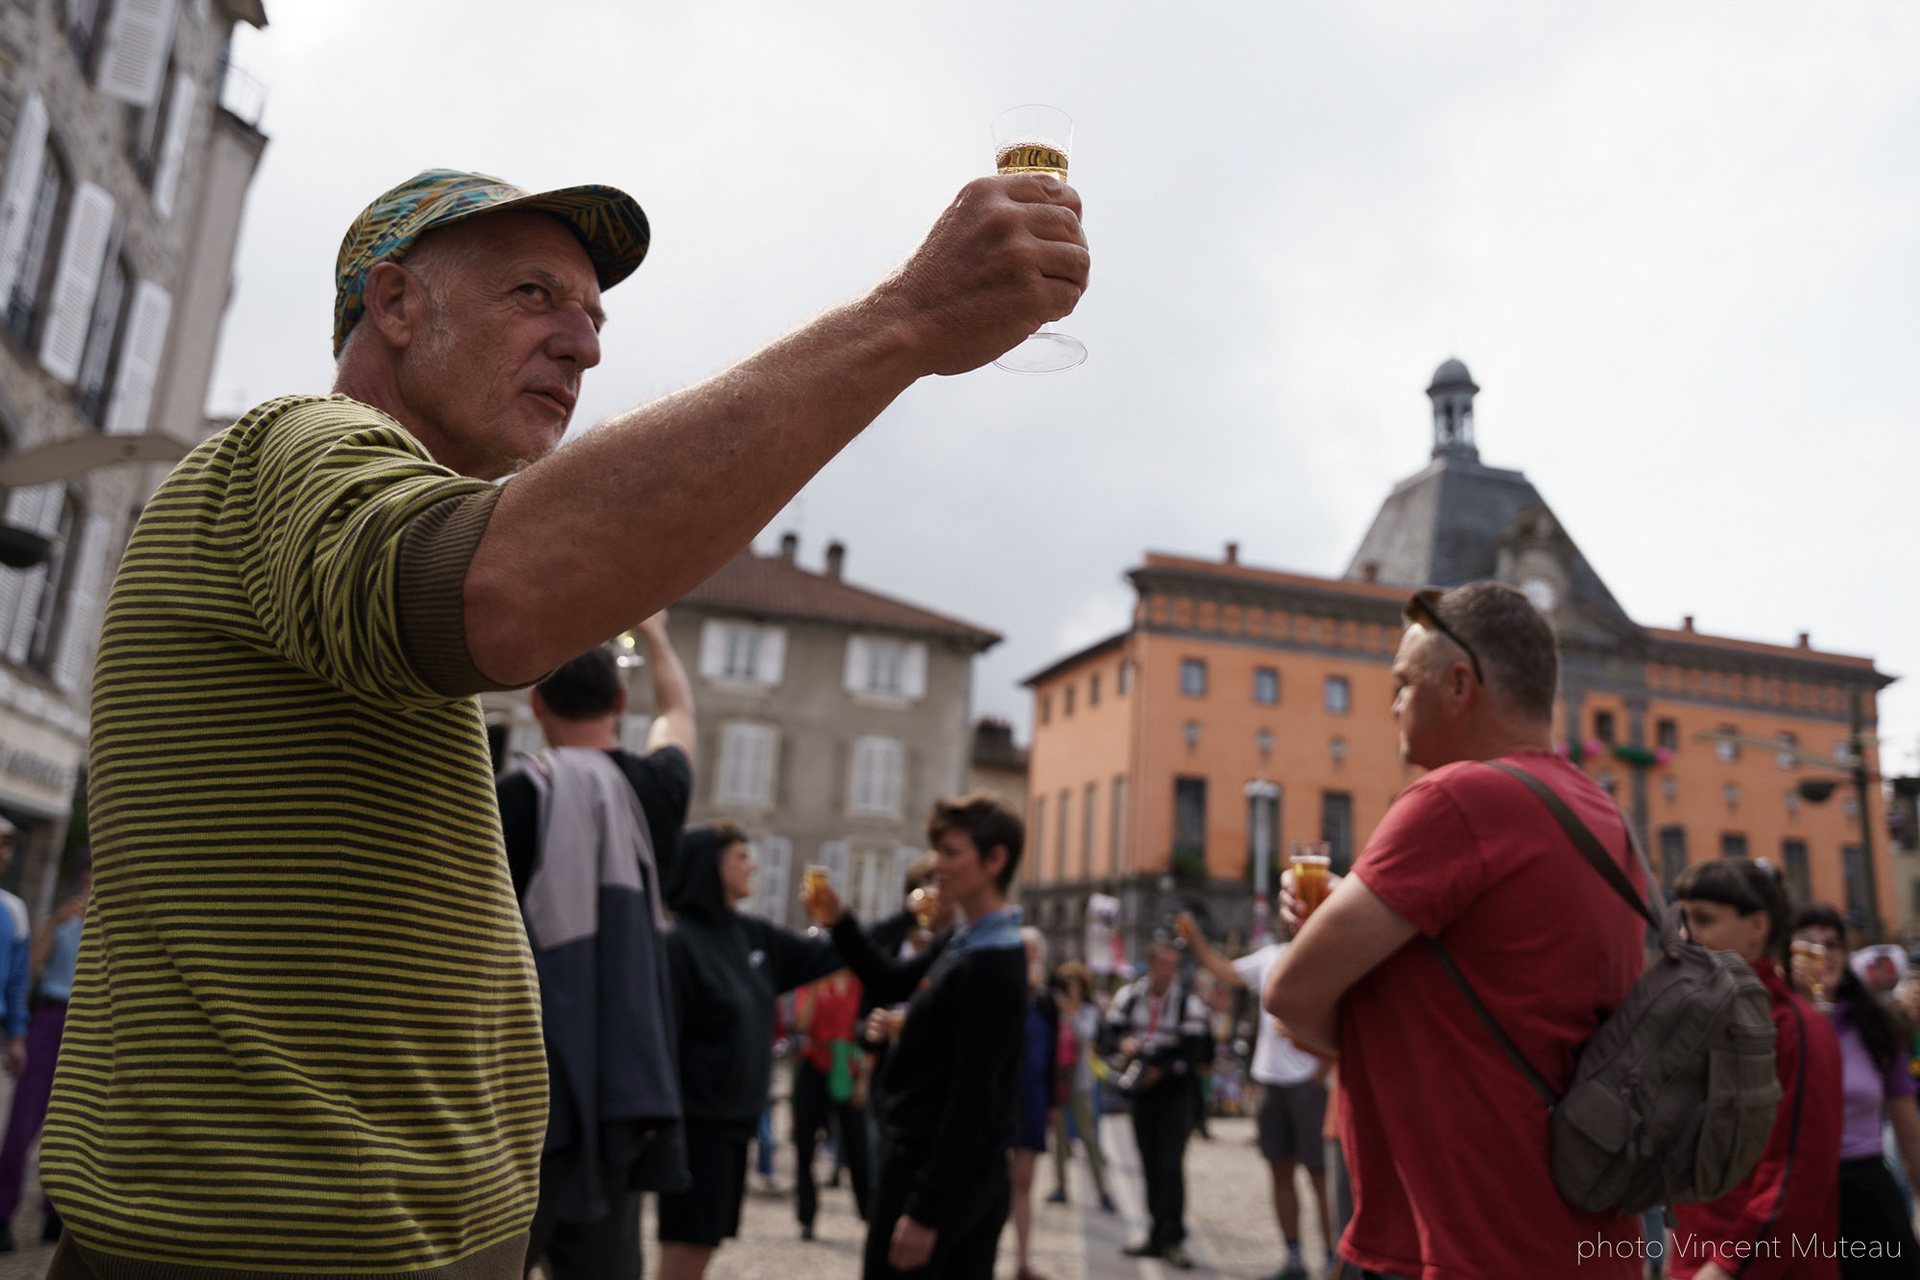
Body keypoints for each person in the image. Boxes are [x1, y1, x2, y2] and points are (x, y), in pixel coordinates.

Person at [40, 159, 1085, 1278]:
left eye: (594, 317)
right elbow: (499, 592)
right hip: (274, 1246)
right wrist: (905, 321)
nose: (584, 345)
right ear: (392, 304)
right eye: (533, 295)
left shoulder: (332, 513)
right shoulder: (291, 446)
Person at [1267, 581, 1648, 1279]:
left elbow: (1290, 995)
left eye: (1402, 683)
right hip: (1592, 1240)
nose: (1393, 706)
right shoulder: (1605, 817)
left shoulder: (1458, 798)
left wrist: (1338, 983)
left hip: (1458, 1240)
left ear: (1458, 684)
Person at [497, 617, 696, 1279]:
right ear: (620, 703)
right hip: (619, 1089)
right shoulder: (656, 794)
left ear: (535, 704)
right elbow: (678, 714)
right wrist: (656, 636)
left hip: (515, 1088)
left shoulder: (508, 799)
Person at [806, 794, 1028, 1280]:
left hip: (941, 1171)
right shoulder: (968, 940)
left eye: (951, 852)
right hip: (954, 1168)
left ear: (995, 861)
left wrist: (927, 1208)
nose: (937, 866)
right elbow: (890, 981)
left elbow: (973, 1096)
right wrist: (841, 922)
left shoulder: (992, 961)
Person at [658, 824, 846, 1278]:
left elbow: (829, 955)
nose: (753, 866)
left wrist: (856, 923)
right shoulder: (679, 944)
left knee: (702, 1247)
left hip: (732, 1123)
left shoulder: (750, 933)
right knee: (685, 1249)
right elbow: (663, 1043)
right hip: (697, 1126)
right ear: (711, 867)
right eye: (742, 856)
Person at [1666, 861, 1841, 1279]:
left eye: (1704, 920)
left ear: (1757, 925)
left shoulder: (1794, 1027)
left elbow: (1795, 1176)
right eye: (1684, 920)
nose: (1688, 936)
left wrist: (1725, 1268)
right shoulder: (1695, 1019)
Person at [1178, 911, 1332, 1280]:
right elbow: (1227, 972)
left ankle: (1332, 1259)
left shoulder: (1327, 954)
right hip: (1271, 1080)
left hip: (1308, 1082)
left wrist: (1322, 1070)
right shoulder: (1269, 956)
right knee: (1280, 1172)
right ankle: (1294, 1258)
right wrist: (1196, 939)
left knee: (1319, 1177)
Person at [1789, 904, 1917, 1279]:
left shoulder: (1873, 1026)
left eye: (1832, 944)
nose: (1822, 955)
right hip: (1795, 1190)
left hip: (1865, 1184)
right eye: (1808, 944)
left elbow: (1909, 1131)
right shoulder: (1768, 1022)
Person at [1102, 940, 1211, 1269]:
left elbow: (1194, 1054)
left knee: (1170, 1164)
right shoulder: (1130, 997)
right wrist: (1124, 1044)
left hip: (1173, 1091)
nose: (1168, 971)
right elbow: (1106, 1035)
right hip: (1142, 1090)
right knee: (1148, 1162)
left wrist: (1161, 1071)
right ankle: (1154, 1231)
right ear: (1150, 965)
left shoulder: (1186, 1004)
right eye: (1162, 963)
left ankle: (1173, 1236)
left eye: (1172, 965)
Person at [0, 855, 86, 1253]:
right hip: (50, 1019)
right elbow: (32, 968)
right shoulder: (65, 922)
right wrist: (54, 924)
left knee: (75, 1124)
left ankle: (57, 1216)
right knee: (23, 1119)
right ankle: (2, 1212)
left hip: (90, 1026)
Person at [791, 969, 871, 1239]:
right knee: (805, 1146)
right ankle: (806, 1216)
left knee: (858, 1147)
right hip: (814, 1063)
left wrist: (863, 1080)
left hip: (847, 1066)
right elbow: (801, 1024)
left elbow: (868, 1035)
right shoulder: (813, 984)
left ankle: (869, 1214)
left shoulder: (859, 984)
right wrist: (814, 988)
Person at [1046, 960, 1115, 1214]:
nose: (1072, 987)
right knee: (1059, 1138)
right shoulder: (1054, 1009)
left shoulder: (1087, 1011)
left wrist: (1071, 1012)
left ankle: (1102, 1191)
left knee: (1089, 1136)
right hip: (1059, 1079)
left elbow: (1086, 1036)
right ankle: (1060, 1186)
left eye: (1076, 982)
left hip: (1082, 1081)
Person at [1010, 927, 1058, 1280]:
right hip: (1001, 1098)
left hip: (1032, 1098)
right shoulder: (1001, 996)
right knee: (992, 1181)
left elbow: (1054, 1056)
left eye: (1032, 953)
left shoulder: (1046, 1003)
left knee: (1024, 1182)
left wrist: (1053, 1105)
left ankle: (1022, 1260)